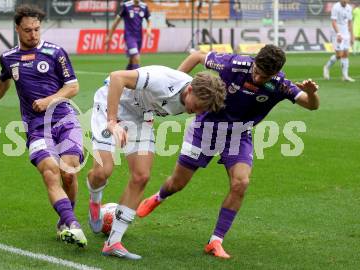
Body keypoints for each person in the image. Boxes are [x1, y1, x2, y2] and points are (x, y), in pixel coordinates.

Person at [137, 45, 320, 259]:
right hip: (205, 129)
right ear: (254, 61)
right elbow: (196, 56)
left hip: (239, 135)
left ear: (275, 73)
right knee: (177, 184)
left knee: (240, 183)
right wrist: (175, 88)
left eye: (265, 76)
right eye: (257, 71)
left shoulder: (280, 85)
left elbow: (311, 105)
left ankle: (215, 240)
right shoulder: (234, 64)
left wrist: (311, 93)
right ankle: (159, 197)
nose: (259, 77)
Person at [0, 4, 87, 247]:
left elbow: (73, 87)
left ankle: (65, 220)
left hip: (65, 120)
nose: (33, 34)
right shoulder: (9, 58)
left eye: (36, 29)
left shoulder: (56, 53)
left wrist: (48, 101)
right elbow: (3, 81)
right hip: (36, 126)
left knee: (68, 172)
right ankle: (73, 224)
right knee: (50, 172)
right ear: (17, 29)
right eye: (27, 30)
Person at [86, 65, 227, 259]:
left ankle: (113, 242)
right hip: (111, 104)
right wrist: (112, 121)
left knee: (141, 176)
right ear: (190, 90)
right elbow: (117, 77)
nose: (198, 112)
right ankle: (95, 200)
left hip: (140, 117)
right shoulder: (162, 80)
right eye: (198, 106)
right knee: (103, 172)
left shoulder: (191, 95)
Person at [104, 0, 152, 70]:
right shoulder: (126, 6)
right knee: (136, 57)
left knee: (132, 60)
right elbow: (116, 22)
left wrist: (148, 29)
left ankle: (127, 76)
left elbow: (149, 20)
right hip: (129, 37)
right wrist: (109, 36)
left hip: (139, 37)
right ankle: (137, 78)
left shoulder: (144, 6)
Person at [323, 0, 355, 82]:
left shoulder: (349, 8)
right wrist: (338, 34)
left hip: (346, 33)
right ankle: (326, 67)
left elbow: (350, 22)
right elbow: (333, 22)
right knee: (339, 54)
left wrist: (352, 35)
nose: (345, 1)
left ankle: (345, 76)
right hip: (337, 33)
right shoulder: (336, 7)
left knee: (346, 54)